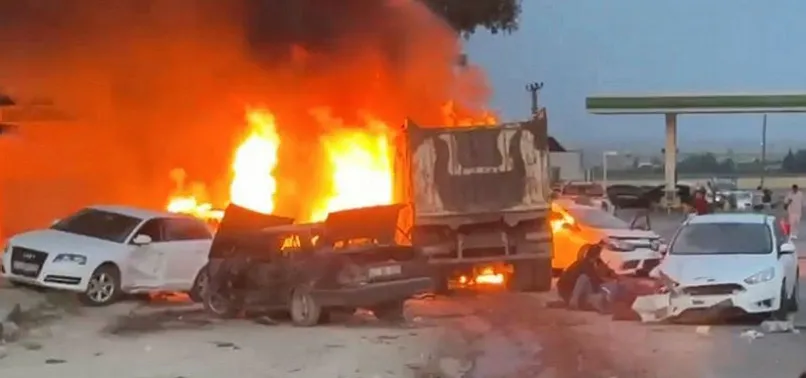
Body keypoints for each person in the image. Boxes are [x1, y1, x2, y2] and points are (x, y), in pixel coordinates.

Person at [556, 243, 618, 313]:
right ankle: (574, 301)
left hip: (571, 292)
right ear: (597, 256)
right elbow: (594, 280)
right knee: (584, 278)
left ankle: (583, 302)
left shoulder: (585, 263)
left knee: (595, 294)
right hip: (570, 292)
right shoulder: (586, 265)